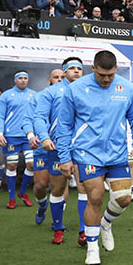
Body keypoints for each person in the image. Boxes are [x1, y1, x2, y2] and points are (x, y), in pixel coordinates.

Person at [57, 51, 133, 265]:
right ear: (93, 68)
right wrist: (65, 157)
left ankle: (106, 223)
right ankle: (92, 249)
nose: (106, 79)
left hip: (117, 153)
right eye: (102, 75)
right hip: (87, 152)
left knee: (124, 199)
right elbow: (64, 125)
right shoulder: (75, 89)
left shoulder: (127, 88)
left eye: (110, 75)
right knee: (95, 197)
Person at [32, 58, 86, 245]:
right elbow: (39, 117)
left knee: (84, 188)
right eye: (72, 68)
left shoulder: (89, 90)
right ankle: (58, 227)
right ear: (64, 72)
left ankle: (83, 231)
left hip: (83, 146)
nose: (77, 71)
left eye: (80, 68)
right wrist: (44, 137)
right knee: (57, 189)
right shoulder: (51, 92)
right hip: (57, 147)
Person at [29, 68, 64, 237]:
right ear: (49, 80)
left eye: (61, 77)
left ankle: (58, 221)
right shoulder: (39, 96)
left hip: (59, 147)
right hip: (42, 147)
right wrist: (31, 135)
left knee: (59, 183)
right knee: (41, 185)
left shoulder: (71, 95)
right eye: (55, 77)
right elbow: (29, 118)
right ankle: (42, 205)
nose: (59, 79)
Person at [0, 71, 37, 209]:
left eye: (25, 78)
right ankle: (12, 198)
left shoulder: (34, 95)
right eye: (20, 78)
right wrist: (0, 133)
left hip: (28, 135)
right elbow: (0, 116)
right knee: (12, 165)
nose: (23, 80)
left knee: (31, 164)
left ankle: (23, 192)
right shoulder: (6, 95)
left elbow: (39, 115)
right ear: (15, 80)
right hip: (11, 135)